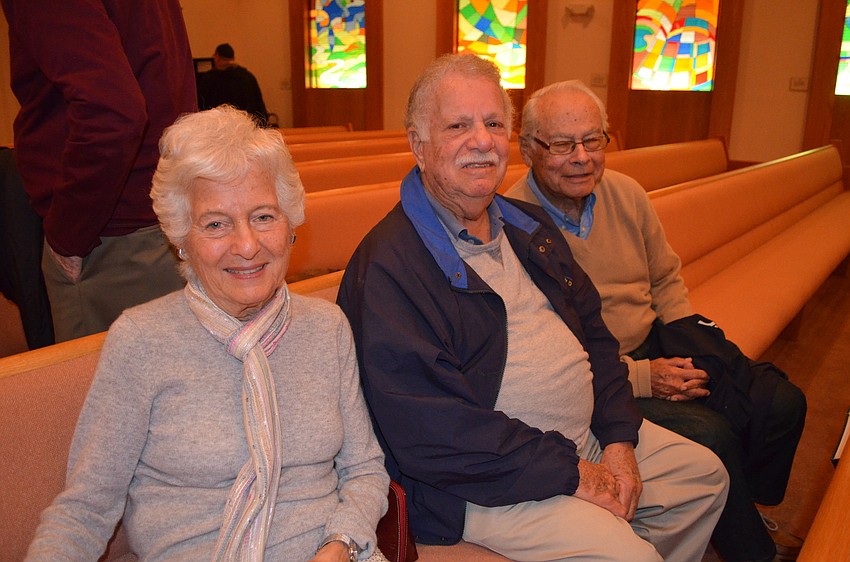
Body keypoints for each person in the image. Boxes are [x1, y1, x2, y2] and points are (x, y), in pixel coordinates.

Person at [337, 53, 729, 562]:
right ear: (418, 144)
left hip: (579, 438)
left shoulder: (527, 225)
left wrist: (617, 437)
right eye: (458, 125)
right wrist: (571, 471)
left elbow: (596, 338)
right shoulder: (390, 266)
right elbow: (434, 433)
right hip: (483, 479)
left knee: (701, 480)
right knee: (629, 556)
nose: (481, 140)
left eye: (494, 123)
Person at [25, 106, 390, 562]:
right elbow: (86, 507)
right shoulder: (142, 340)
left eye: (263, 216)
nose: (246, 245)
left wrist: (339, 544)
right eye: (216, 223)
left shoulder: (325, 328)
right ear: (181, 237)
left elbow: (364, 469)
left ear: (290, 223)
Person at [506, 80, 807, 562]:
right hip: (600, 378)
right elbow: (553, 355)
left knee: (782, 404)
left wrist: (690, 348)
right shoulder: (516, 225)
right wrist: (647, 377)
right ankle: (754, 551)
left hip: (660, 343)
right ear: (528, 150)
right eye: (562, 145)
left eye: (593, 140)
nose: (581, 156)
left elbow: (666, 278)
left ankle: (741, 505)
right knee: (712, 432)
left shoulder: (626, 193)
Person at [0, 0, 197, 343]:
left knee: (97, 389)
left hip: (108, 231)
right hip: (158, 210)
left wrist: (68, 236)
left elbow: (113, 115)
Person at [197, 43, 270, 126]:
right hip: (246, 127)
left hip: (218, 128)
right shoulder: (247, 77)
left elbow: (200, 105)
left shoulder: (209, 79)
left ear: (217, 57)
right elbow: (258, 105)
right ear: (233, 58)